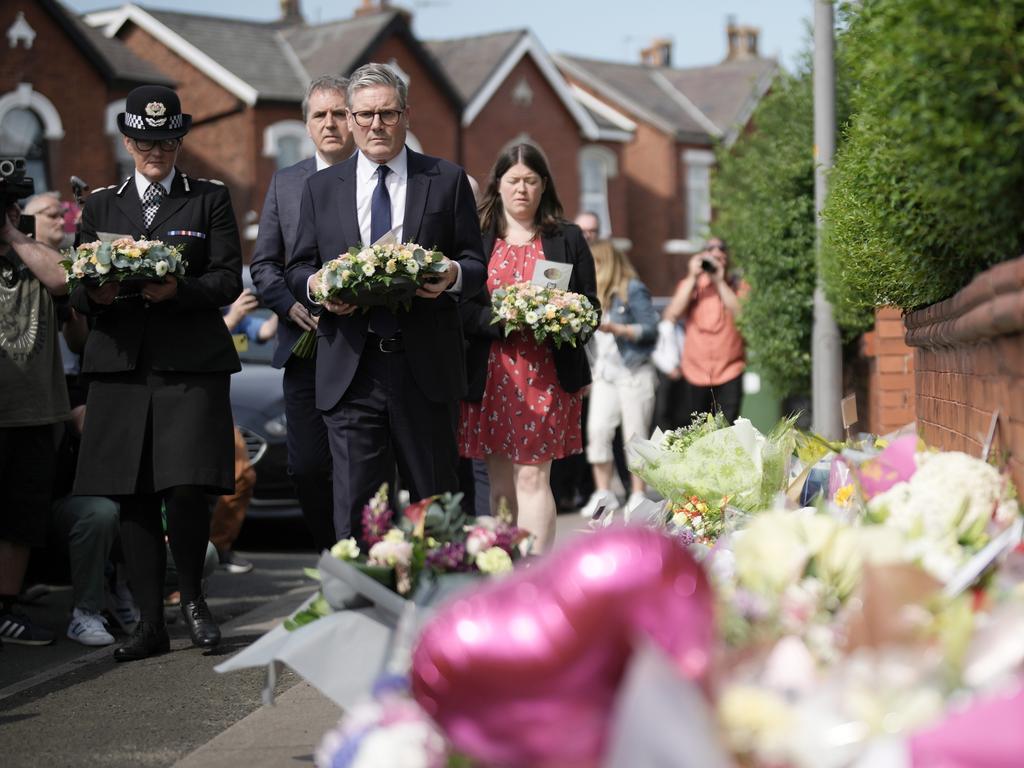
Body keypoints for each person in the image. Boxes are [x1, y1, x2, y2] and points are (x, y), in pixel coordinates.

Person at [70, 84, 242, 661]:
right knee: (134, 495)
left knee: (187, 485)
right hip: (121, 363)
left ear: (178, 140)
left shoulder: (208, 198)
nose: (156, 152)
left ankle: (192, 600)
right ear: (127, 141)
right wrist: (101, 290)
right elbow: (76, 287)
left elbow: (226, 279)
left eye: (166, 141)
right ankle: (149, 624)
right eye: (145, 142)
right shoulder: (100, 205)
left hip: (188, 361)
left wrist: (179, 289)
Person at [285, 63, 486, 543]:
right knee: (357, 512)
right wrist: (321, 291)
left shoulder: (445, 178)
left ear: (406, 116)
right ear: (351, 120)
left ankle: (437, 609)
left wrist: (452, 275)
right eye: (366, 115)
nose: (377, 125)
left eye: (388, 114)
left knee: (435, 508)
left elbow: (475, 264)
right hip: (351, 371)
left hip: (425, 371)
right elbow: (297, 269)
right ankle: (358, 608)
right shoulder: (319, 188)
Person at [459, 143, 598, 552]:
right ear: (497, 185)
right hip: (488, 372)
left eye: (531, 181)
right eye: (513, 180)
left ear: (544, 186)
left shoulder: (566, 237)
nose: (522, 190)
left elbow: (591, 307)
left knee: (534, 477)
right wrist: (504, 320)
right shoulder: (475, 236)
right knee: (500, 481)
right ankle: (505, 565)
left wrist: (561, 317)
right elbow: (460, 309)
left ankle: (536, 570)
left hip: (548, 373)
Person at [250, 74, 353, 552]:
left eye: (338, 113)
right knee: (308, 468)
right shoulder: (286, 183)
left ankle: (363, 567)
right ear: (306, 124)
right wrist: (291, 306)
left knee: (363, 466)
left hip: (364, 345)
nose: (329, 123)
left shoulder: (377, 180)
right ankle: (334, 555)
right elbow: (264, 263)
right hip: (305, 346)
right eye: (320, 115)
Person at [0, 196, 71, 646]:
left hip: (32, 411)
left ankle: (5, 609)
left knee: (20, 516)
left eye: (11, 211)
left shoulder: (34, 253)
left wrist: (10, 234)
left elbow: (65, 277)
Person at [579, 241, 659, 518]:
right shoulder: (592, 293)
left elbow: (651, 330)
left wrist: (617, 328)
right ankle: (604, 492)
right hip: (604, 373)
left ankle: (638, 494)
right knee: (598, 431)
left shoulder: (632, 289)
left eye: (595, 263)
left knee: (635, 436)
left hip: (633, 372)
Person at [662, 237, 746, 425]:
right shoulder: (692, 285)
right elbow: (672, 314)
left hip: (730, 371)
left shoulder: (736, 285)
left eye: (721, 254)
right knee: (696, 433)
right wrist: (693, 277)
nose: (716, 260)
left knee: (728, 432)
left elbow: (742, 315)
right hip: (695, 372)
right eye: (710, 253)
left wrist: (720, 281)